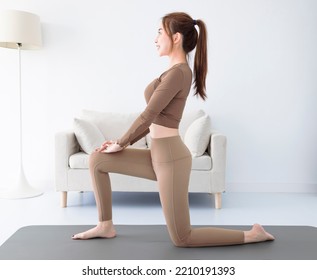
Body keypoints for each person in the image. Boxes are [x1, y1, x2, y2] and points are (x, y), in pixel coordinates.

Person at [72, 12, 275, 247]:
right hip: (157, 155)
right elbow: (153, 118)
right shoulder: (172, 72)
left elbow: (148, 115)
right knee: (97, 160)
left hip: (171, 160)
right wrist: (119, 143)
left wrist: (121, 142)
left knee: (182, 237)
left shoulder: (179, 73)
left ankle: (252, 235)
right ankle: (105, 225)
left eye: (159, 31)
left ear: (176, 37)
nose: (155, 38)